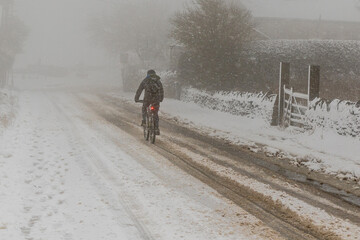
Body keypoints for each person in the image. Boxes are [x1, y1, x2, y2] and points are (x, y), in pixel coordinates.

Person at [135, 69, 164, 135]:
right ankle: (156, 128)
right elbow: (161, 90)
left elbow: (139, 90)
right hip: (156, 100)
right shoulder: (158, 81)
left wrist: (136, 98)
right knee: (155, 113)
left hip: (147, 99)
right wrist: (161, 99)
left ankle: (144, 121)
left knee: (144, 108)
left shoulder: (145, 80)